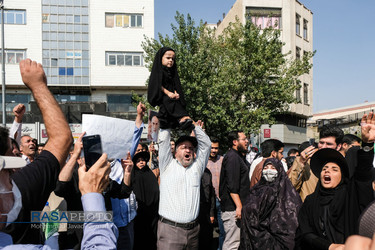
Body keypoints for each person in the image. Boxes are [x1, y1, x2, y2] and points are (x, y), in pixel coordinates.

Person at [2, 59, 73, 244]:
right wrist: (38, 86)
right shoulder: (22, 186)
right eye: (13, 149)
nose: (31, 144)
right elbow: (61, 139)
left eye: (34, 141)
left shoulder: (24, 183)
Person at [295, 112, 375, 250]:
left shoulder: (350, 196)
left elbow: (363, 174)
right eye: (324, 168)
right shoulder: (311, 201)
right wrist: (330, 247)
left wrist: (367, 144)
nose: (327, 171)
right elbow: (305, 233)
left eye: (334, 169)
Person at [157, 119, 211, 249]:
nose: (188, 150)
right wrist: (169, 118)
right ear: (175, 152)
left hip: (193, 232)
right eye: (183, 147)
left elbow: (207, 145)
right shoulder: (167, 166)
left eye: (191, 148)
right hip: (170, 232)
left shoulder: (197, 168)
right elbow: (164, 139)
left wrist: (194, 126)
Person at [240, 158, 302, 249]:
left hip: (273, 242)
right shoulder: (256, 190)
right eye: (266, 167)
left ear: (279, 170)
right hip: (252, 238)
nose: (268, 170)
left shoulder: (287, 193)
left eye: (273, 168)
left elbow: (289, 223)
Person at [288, 125, 344, 201]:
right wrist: (301, 164)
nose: (323, 147)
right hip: (308, 209)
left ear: (338, 146)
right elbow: (290, 188)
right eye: (321, 142)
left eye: (329, 144)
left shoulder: (343, 163)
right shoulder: (305, 160)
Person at [147, 47, 193, 130]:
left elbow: (174, 84)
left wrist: (176, 93)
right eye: (168, 58)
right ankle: (182, 117)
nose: (171, 60)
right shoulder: (158, 71)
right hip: (162, 96)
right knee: (167, 100)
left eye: (173, 58)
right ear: (161, 58)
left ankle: (180, 122)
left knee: (166, 116)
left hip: (170, 100)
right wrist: (168, 93)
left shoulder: (172, 72)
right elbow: (157, 85)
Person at [219, 131, 249, 250]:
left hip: (237, 208)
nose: (247, 141)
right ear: (235, 142)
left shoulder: (238, 156)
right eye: (244, 139)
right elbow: (232, 185)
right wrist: (239, 206)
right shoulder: (232, 158)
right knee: (232, 244)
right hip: (233, 209)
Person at [131, 151, 159, 250]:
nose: (141, 162)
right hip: (139, 214)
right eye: (138, 161)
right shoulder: (133, 175)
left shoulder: (149, 173)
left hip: (152, 213)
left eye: (143, 160)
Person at [206, 137, 225, 250]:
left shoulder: (222, 160)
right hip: (209, 201)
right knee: (207, 231)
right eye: (212, 148)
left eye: (216, 148)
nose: (214, 150)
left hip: (221, 199)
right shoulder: (202, 161)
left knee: (223, 231)